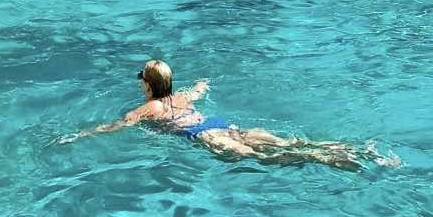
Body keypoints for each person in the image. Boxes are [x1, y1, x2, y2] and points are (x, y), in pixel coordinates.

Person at [71, 61, 397, 170]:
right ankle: (354, 150)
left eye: (141, 79)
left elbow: (116, 125)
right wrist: (205, 81)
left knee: (267, 158)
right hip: (222, 125)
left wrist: (82, 134)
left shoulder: (149, 108)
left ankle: (331, 160)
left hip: (205, 136)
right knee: (287, 143)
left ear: (147, 84)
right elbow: (199, 89)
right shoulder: (182, 97)